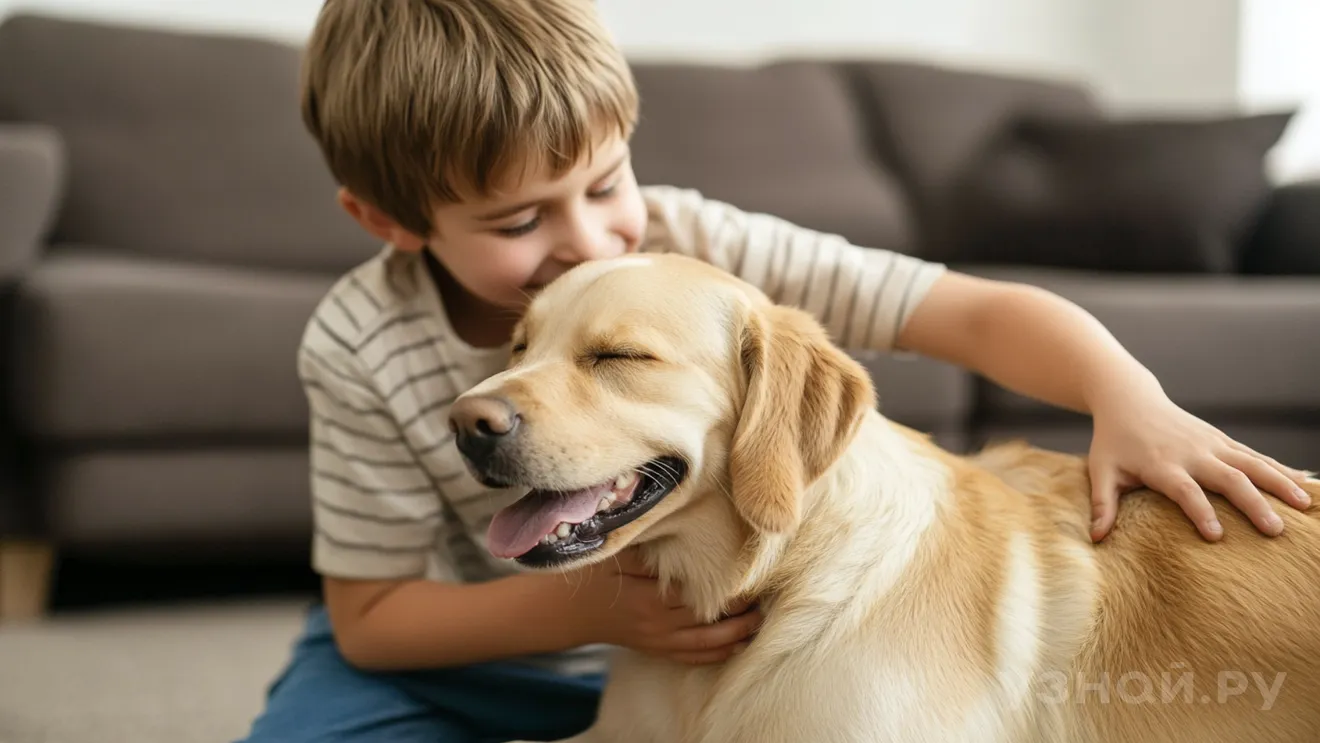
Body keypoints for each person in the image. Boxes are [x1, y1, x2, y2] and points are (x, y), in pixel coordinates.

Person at [237, 1, 1313, 741]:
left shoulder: (697, 252)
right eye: (520, 222)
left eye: (606, 183)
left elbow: (975, 313)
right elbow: (374, 615)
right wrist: (596, 614)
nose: (590, 239)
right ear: (386, 222)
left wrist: (1127, 397)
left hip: (658, 617)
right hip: (472, 626)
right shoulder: (357, 338)